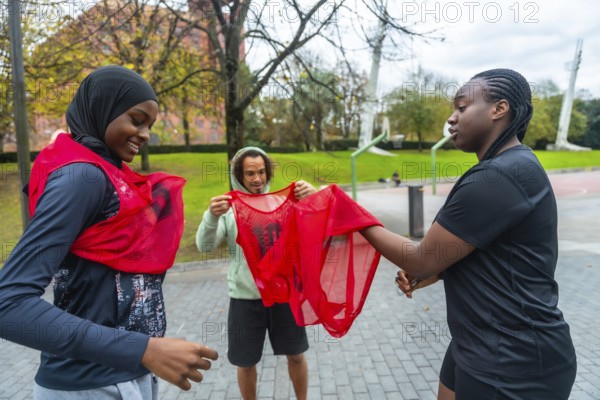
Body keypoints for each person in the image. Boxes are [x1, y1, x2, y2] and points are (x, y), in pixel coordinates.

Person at [0, 65, 218, 399]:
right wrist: (142, 349)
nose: (145, 135)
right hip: (89, 385)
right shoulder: (81, 178)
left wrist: (142, 355)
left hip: (127, 376)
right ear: (101, 109)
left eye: (150, 126)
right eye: (136, 119)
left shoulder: (112, 178)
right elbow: (9, 304)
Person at [360, 69, 576, 399]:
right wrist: (443, 271)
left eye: (462, 107)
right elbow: (500, 252)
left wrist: (354, 217)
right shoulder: (511, 167)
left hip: (516, 360)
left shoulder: (501, 175)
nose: (451, 118)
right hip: (477, 342)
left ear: (499, 109)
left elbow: (420, 260)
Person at [196, 147, 315, 400]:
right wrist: (211, 217)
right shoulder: (229, 208)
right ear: (239, 175)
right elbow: (205, 246)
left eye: (261, 171)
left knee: (296, 355)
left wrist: (313, 198)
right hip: (245, 299)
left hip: (283, 296)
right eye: (250, 173)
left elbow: (317, 230)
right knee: (246, 362)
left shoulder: (282, 203)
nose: (257, 179)